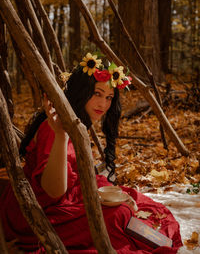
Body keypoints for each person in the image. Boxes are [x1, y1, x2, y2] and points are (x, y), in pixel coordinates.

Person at [0, 53, 183, 253]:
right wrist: (61, 137)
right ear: (81, 92)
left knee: (127, 200)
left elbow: (78, 174)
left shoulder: (75, 122)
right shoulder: (53, 128)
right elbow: (54, 191)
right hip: (36, 212)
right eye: (97, 93)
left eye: (109, 97)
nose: (103, 104)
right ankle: (154, 242)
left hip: (62, 200)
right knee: (118, 214)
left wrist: (113, 195)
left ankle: (156, 240)